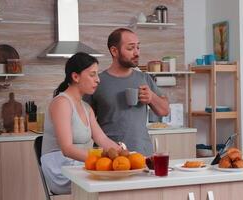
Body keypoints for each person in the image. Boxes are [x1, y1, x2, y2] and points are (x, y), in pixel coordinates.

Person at [41, 52, 121, 194]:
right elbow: (67, 149)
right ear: (76, 76)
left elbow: (102, 139)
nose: (98, 80)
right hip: (60, 169)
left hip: (77, 165)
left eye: (97, 75)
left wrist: (122, 154)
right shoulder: (62, 103)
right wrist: (102, 158)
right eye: (92, 75)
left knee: (118, 175)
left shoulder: (86, 107)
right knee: (111, 179)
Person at [86, 28, 170, 156]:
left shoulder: (144, 78)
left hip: (142, 155)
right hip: (109, 156)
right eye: (131, 48)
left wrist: (151, 97)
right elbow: (85, 121)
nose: (136, 53)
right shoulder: (97, 82)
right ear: (114, 51)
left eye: (138, 47)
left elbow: (164, 110)